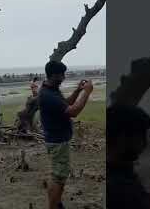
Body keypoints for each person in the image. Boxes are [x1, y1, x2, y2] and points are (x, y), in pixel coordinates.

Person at [38, 61, 94, 209]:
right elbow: (73, 112)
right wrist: (87, 92)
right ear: (53, 75)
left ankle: (56, 204)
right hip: (58, 142)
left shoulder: (51, 90)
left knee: (57, 176)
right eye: (61, 75)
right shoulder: (48, 94)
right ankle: (53, 205)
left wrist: (77, 91)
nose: (63, 78)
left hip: (56, 141)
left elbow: (65, 105)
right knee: (58, 178)